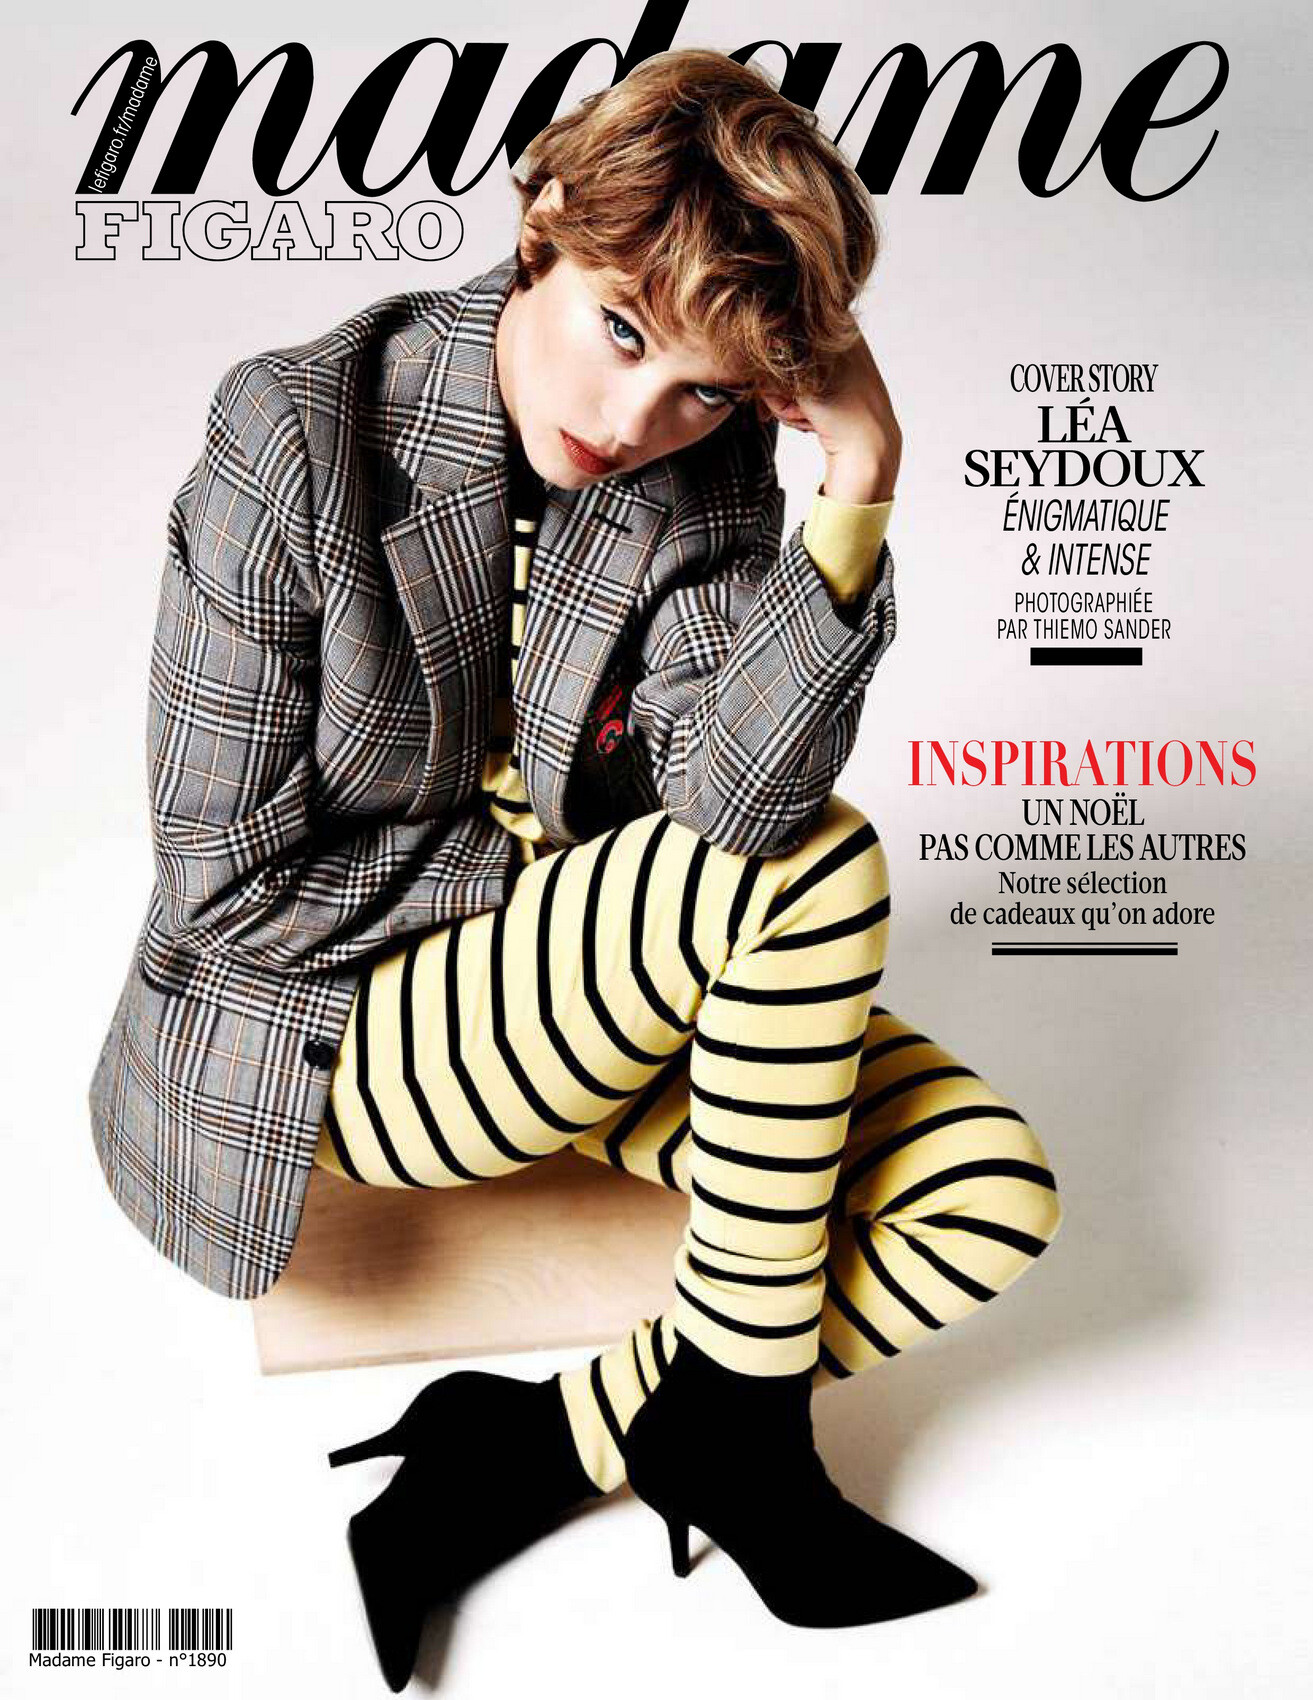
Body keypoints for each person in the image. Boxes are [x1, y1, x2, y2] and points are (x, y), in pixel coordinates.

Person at [89, 48, 1062, 1691]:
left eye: (702, 389)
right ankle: (747, 1452)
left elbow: (731, 795)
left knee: (984, 1194)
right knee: (809, 877)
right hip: (324, 1029)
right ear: (541, 219)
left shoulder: (701, 469)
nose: (634, 422)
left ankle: (528, 1451)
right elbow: (224, 884)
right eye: (621, 332)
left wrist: (859, 478)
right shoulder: (295, 432)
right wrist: (552, 892)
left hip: (583, 1003)